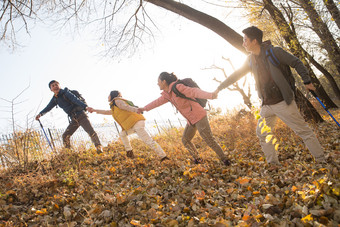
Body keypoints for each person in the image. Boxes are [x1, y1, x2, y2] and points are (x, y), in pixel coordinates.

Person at [214, 26, 325, 166]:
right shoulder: (250, 60)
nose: (243, 43)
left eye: (245, 40)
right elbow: (236, 74)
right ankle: (273, 164)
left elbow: (296, 62)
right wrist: (219, 87)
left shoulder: (275, 52)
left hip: (283, 102)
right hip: (266, 105)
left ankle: (322, 160)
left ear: (254, 41)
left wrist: (307, 81)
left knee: (303, 131)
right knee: (262, 133)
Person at [138, 72, 231, 166]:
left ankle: (225, 160)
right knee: (185, 139)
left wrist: (211, 95)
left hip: (199, 116)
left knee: (208, 139)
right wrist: (144, 108)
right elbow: (156, 102)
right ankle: (198, 160)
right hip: (191, 120)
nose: (157, 83)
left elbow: (194, 91)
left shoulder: (177, 87)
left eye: (158, 81)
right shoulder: (168, 95)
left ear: (164, 81)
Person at [88, 90, 169, 162]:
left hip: (136, 122)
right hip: (132, 124)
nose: (107, 97)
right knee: (123, 134)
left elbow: (126, 107)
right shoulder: (114, 106)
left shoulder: (117, 101)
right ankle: (129, 152)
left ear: (112, 95)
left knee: (148, 140)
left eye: (108, 95)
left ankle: (164, 157)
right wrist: (95, 110)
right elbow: (106, 112)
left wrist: (137, 110)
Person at [35, 80, 103, 153]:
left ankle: (99, 147)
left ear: (59, 86)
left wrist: (85, 107)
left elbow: (75, 99)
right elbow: (48, 107)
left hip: (81, 115)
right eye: (53, 86)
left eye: (56, 84)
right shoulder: (55, 99)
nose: (55, 86)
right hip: (73, 119)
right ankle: (69, 153)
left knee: (90, 131)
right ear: (51, 89)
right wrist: (40, 114)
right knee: (65, 136)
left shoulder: (65, 92)